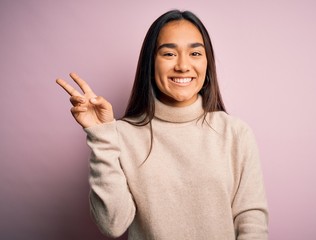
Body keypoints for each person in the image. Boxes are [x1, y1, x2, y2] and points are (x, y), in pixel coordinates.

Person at [56, 9, 268, 240]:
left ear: (208, 64)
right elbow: (113, 224)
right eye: (169, 54)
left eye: (195, 53)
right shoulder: (122, 134)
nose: (183, 65)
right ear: (151, 63)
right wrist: (101, 135)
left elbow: (251, 219)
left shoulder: (235, 133)